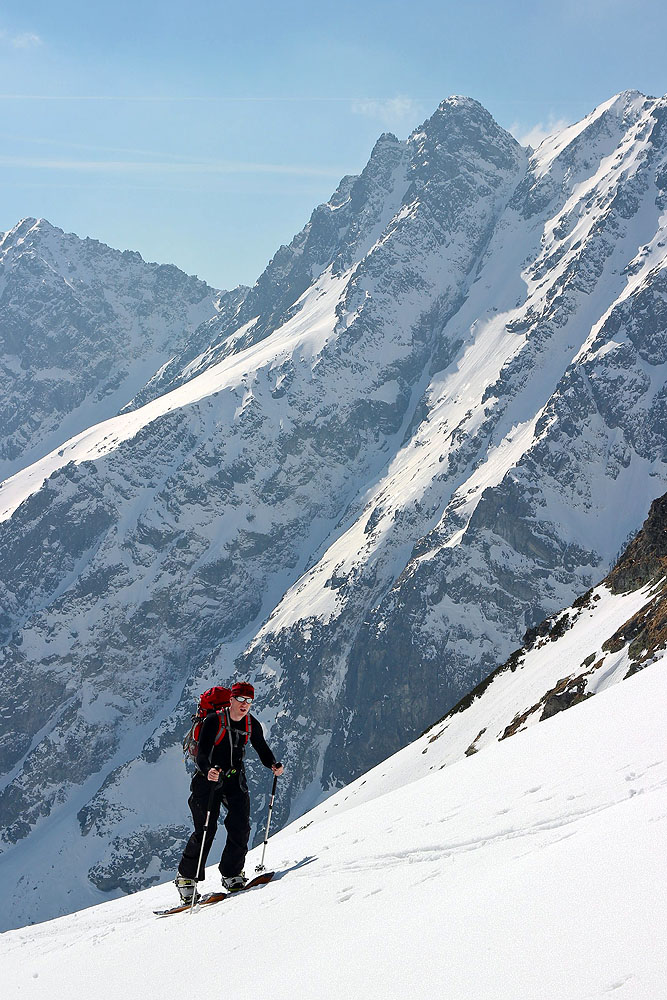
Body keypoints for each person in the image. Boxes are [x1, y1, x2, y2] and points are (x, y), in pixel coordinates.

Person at [175, 681, 283, 902]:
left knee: (240, 825)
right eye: (241, 699)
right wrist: (208, 771)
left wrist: (272, 763)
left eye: (249, 701)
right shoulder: (214, 721)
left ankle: (232, 873)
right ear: (231, 700)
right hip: (208, 781)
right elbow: (203, 753)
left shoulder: (251, 723)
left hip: (234, 778)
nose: (245, 705)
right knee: (206, 829)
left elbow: (261, 747)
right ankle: (187, 878)